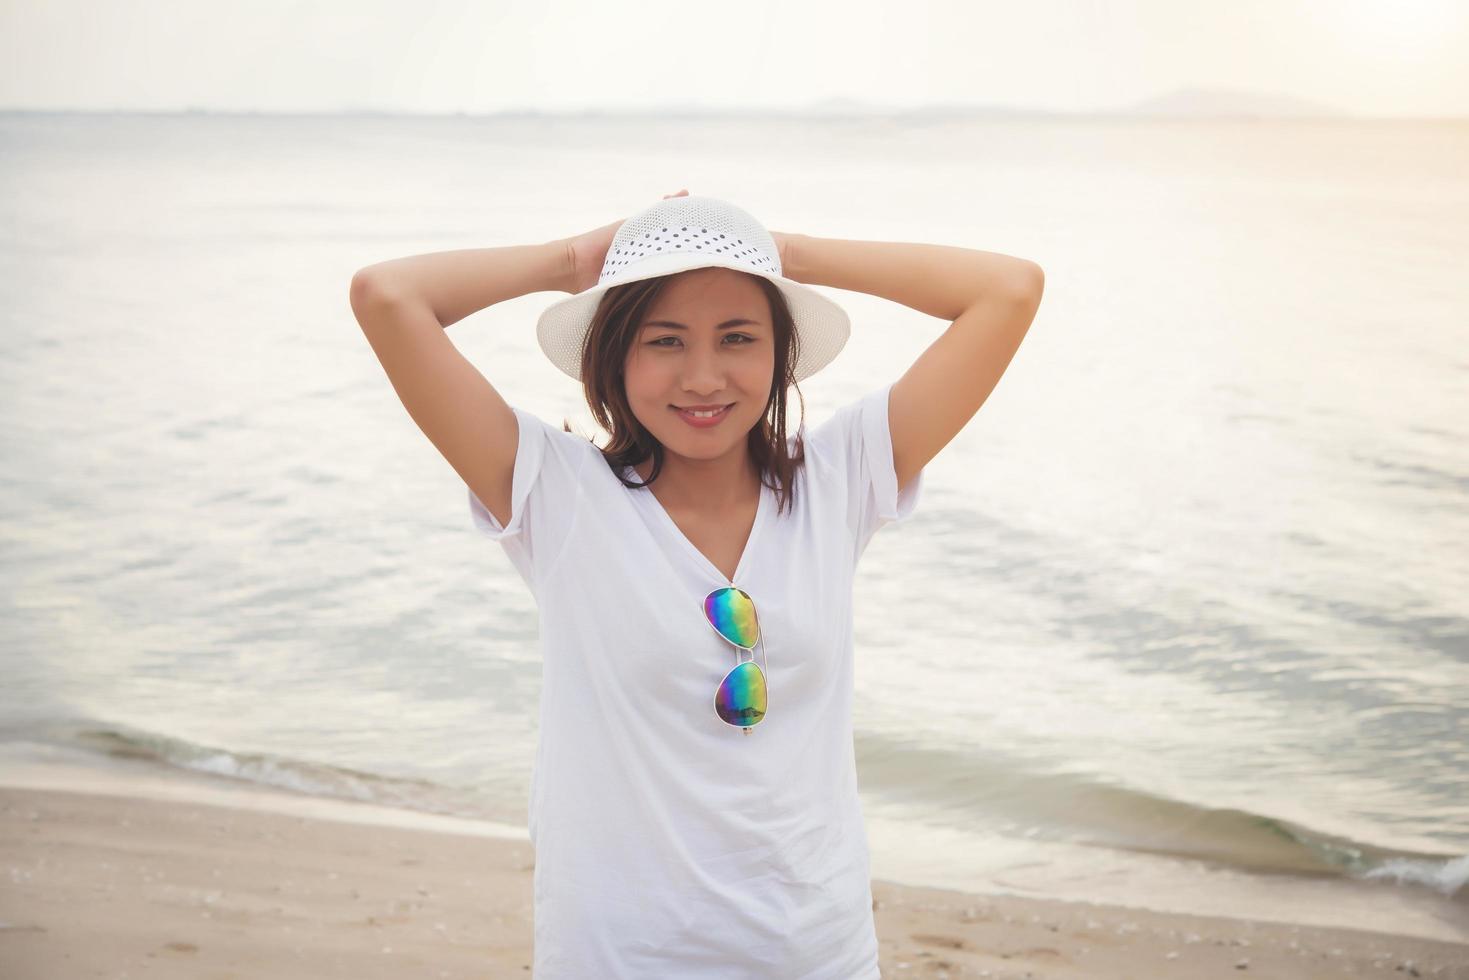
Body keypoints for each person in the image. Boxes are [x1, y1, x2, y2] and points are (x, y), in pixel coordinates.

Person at [349, 192, 1044, 978]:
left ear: (780, 354)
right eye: (665, 342)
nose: (703, 378)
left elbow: (1007, 290)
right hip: (620, 952)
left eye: (738, 338)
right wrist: (579, 261)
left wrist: (772, 251)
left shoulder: (838, 480)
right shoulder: (555, 493)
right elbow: (388, 296)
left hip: (813, 944)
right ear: (613, 359)